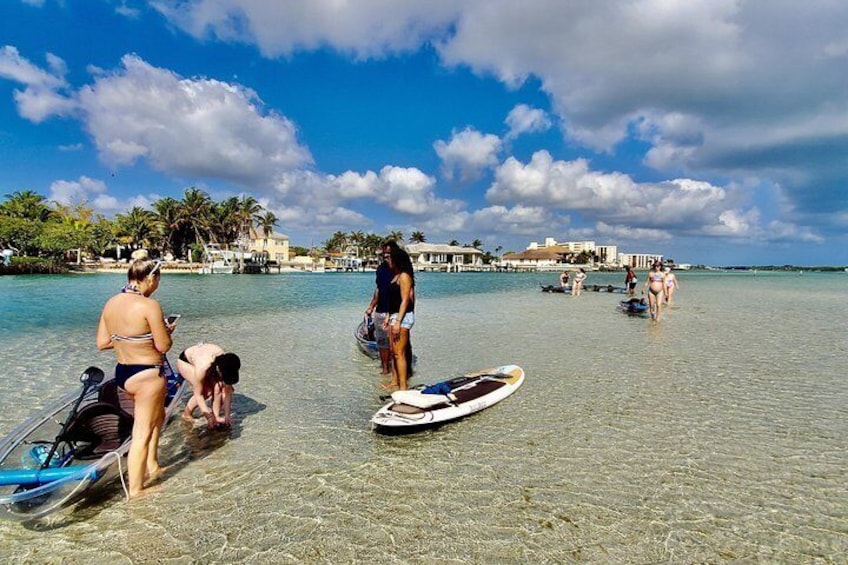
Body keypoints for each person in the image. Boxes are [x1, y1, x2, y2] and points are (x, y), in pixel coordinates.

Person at [96, 249, 175, 499]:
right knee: (141, 432)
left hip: (124, 373)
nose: (157, 286)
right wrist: (165, 331)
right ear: (151, 279)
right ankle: (136, 490)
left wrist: (132, 340)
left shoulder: (111, 303)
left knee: (156, 418)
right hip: (147, 375)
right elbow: (163, 346)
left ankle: (152, 464)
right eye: (158, 281)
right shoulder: (149, 305)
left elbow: (103, 342)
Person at [177, 343, 240, 429]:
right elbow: (198, 395)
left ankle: (216, 416)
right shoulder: (203, 367)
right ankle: (186, 414)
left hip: (209, 362)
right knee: (206, 391)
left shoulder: (227, 363)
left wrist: (227, 416)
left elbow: (227, 392)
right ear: (219, 371)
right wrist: (208, 417)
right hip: (186, 362)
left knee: (218, 387)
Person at [382, 243, 415, 391]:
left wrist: (398, 321)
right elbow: (393, 301)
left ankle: (403, 388)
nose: (388, 260)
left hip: (403, 317)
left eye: (391, 259)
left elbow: (405, 300)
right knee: (393, 352)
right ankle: (394, 382)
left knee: (399, 353)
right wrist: (388, 317)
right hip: (395, 316)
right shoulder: (395, 276)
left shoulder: (404, 276)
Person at [364, 243, 394, 375]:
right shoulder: (381, 269)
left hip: (395, 312)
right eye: (384, 253)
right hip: (380, 310)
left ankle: (397, 372)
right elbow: (378, 290)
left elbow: (408, 293)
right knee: (382, 343)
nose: (386, 255)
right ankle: (385, 369)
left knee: (395, 344)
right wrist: (371, 306)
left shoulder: (401, 269)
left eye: (389, 253)